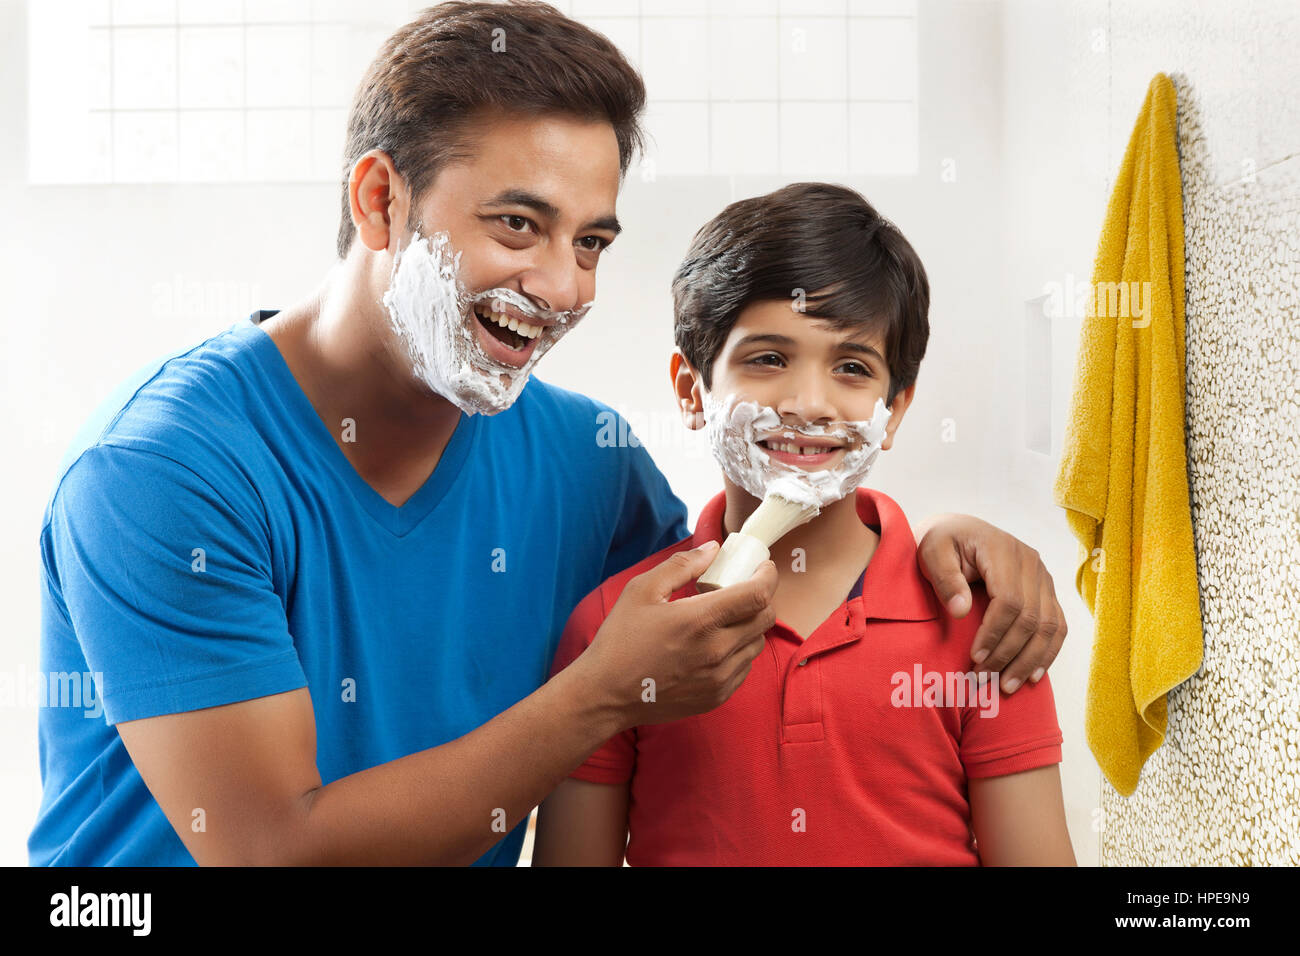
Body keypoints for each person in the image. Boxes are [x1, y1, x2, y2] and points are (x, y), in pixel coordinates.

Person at [30, 1, 1067, 867]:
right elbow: (267, 850)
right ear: (381, 198)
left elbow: (756, 555)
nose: (564, 286)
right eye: (517, 225)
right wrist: (601, 693)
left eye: (592, 241)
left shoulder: (583, 463)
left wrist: (961, 541)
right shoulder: (162, 473)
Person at [533, 183, 1076, 866]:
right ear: (690, 390)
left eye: (852, 368)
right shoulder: (618, 628)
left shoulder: (978, 625)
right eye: (767, 358)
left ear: (895, 410)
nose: (808, 403)